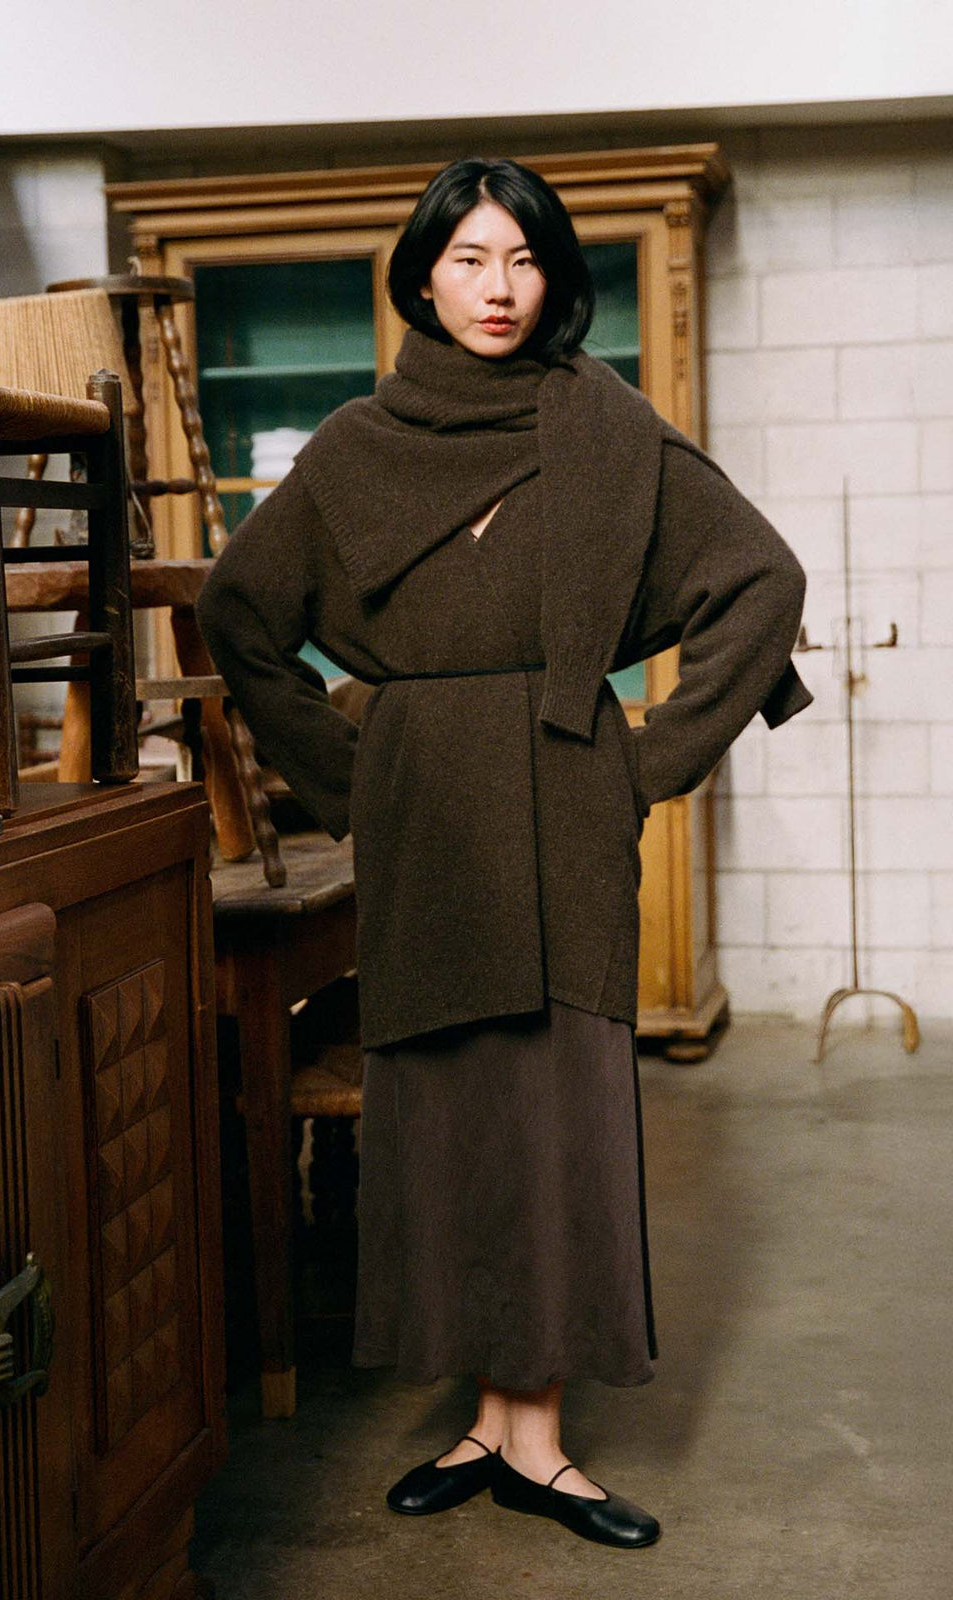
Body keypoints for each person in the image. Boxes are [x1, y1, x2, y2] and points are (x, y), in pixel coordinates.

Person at [195, 156, 812, 1552]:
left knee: (555, 1115)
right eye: (470, 258)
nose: (497, 286)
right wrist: (349, 772)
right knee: (451, 1118)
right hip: (422, 814)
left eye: (522, 259)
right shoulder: (356, 446)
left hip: (560, 799)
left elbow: (760, 583)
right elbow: (239, 608)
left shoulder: (607, 426)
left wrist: (649, 761)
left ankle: (540, 1440)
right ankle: (487, 1419)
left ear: (553, 279)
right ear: (423, 276)